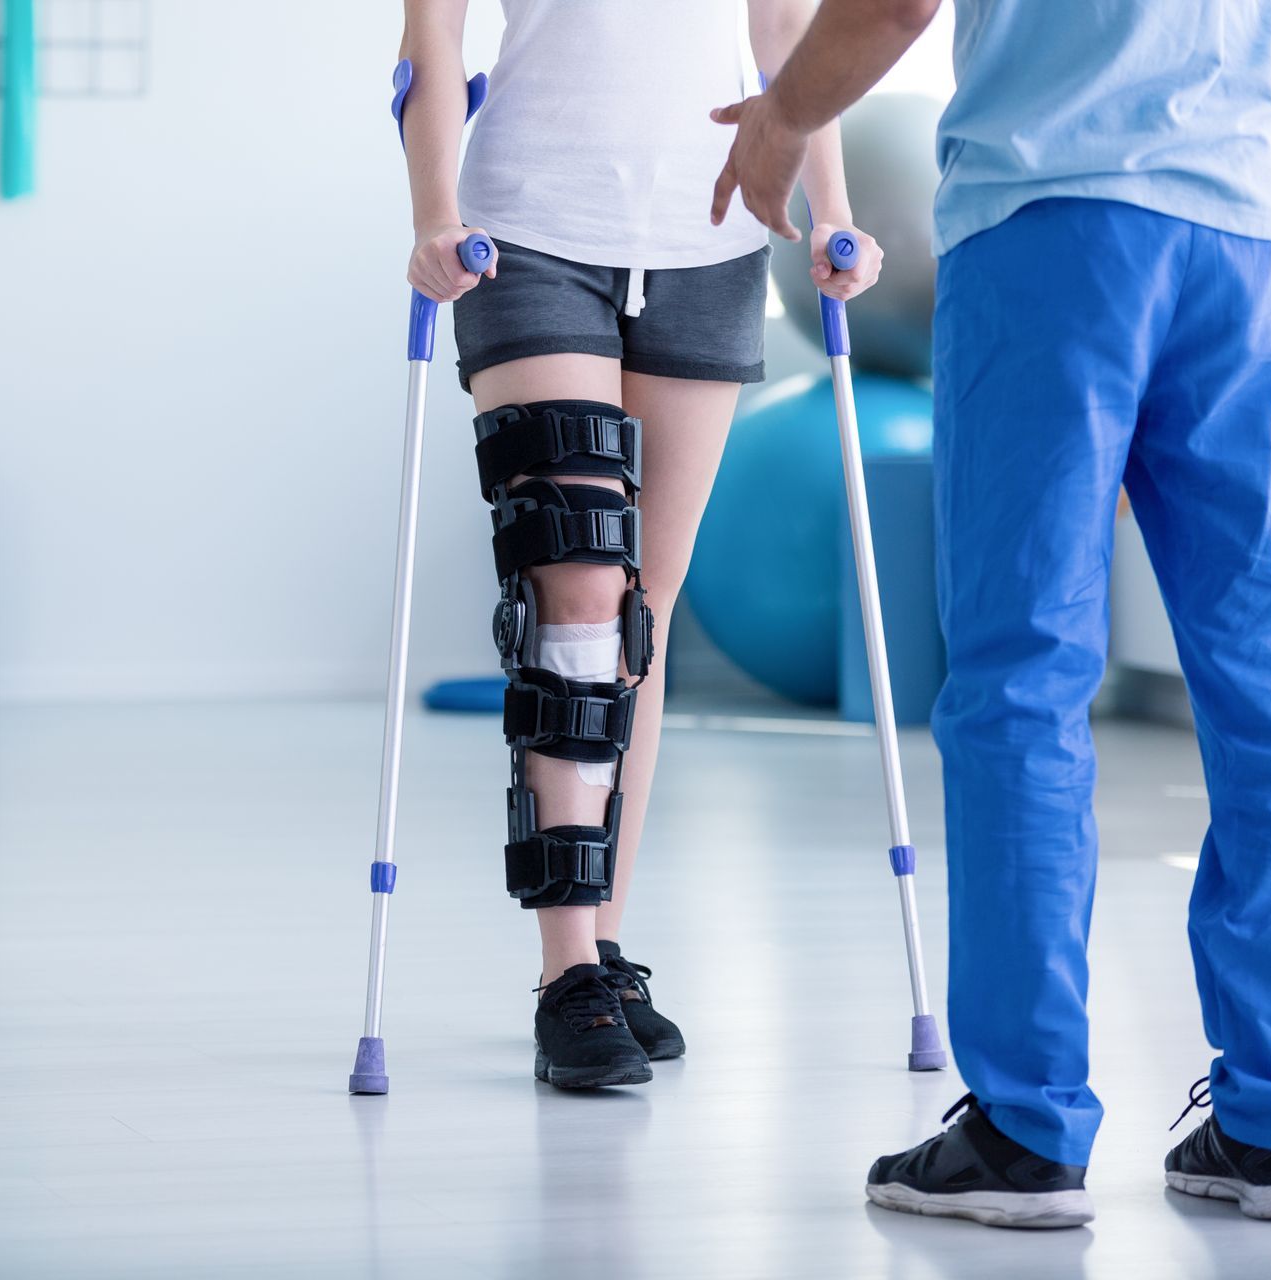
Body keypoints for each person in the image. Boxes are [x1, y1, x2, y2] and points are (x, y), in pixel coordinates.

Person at [712, 0, 1271, 1227]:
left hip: (1053, 221)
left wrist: (786, 114)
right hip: (1245, 234)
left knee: (1022, 675)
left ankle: (1028, 1127)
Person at [398, 0, 882, 1089]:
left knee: (633, 617)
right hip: (524, 234)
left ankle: (606, 943)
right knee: (570, 593)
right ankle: (565, 968)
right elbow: (431, 42)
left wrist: (834, 213)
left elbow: (791, 35)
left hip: (712, 234)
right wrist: (433, 213)